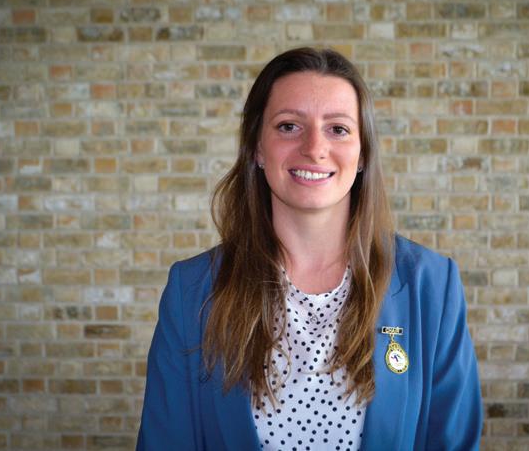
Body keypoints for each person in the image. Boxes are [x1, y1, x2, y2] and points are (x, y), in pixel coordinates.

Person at [136, 47, 483, 450]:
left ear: (363, 153)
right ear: (257, 148)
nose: (314, 147)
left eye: (338, 129)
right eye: (288, 126)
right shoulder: (191, 291)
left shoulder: (432, 285)